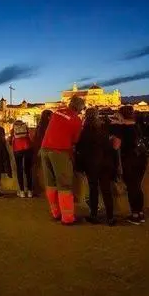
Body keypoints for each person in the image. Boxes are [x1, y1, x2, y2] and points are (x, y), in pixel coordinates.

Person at [40, 96, 86, 224]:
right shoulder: (76, 120)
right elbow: (75, 140)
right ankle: (67, 217)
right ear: (79, 108)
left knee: (51, 183)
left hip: (44, 149)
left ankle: (55, 213)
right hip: (59, 151)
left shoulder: (57, 112)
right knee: (64, 184)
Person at [76, 108, 116, 226]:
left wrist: (80, 166)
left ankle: (94, 215)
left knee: (93, 190)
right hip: (105, 164)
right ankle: (110, 217)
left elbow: (80, 150)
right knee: (106, 190)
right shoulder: (103, 130)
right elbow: (110, 147)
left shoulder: (84, 132)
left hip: (91, 165)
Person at [110, 106, 149, 225]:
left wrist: (111, 138)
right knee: (137, 186)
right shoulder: (136, 126)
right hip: (141, 159)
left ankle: (135, 215)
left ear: (121, 115)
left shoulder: (121, 128)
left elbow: (116, 146)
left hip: (129, 160)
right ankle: (140, 213)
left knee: (132, 187)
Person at [10, 119, 33, 198]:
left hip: (17, 150)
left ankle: (22, 191)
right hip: (27, 149)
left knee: (19, 170)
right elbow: (31, 137)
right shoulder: (26, 127)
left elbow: (10, 140)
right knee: (28, 170)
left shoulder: (13, 129)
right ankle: (30, 191)